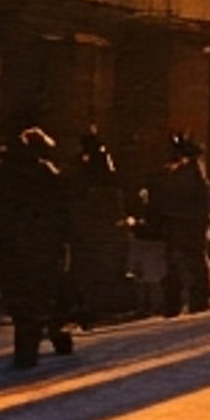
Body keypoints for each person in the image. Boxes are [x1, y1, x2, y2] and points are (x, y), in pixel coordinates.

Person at [0, 127, 75, 368]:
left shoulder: (3, 174)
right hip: (42, 245)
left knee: (22, 298)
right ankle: (53, 338)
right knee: (45, 294)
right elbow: (62, 208)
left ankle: (27, 349)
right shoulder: (45, 174)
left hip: (15, 246)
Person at [144, 135, 210, 317]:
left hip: (183, 225)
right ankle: (190, 300)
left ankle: (180, 302)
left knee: (183, 264)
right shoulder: (196, 174)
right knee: (189, 263)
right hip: (190, 225)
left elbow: (172, 200)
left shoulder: (185, 176)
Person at [65, 130, 130, 323]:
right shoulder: (104, 169)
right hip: (99, 229)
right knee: (98, 269)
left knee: (89, 268)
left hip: (89, 229)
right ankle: (94, 304)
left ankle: (89, 305)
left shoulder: (86, 170)